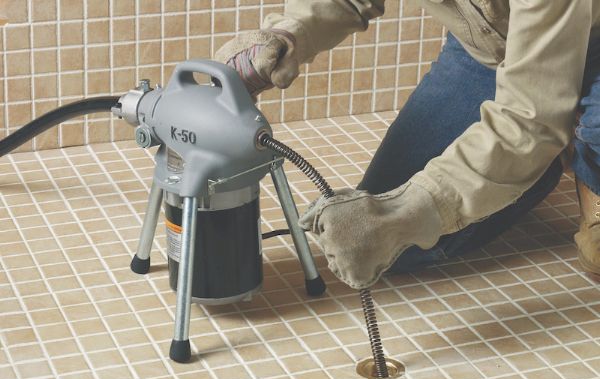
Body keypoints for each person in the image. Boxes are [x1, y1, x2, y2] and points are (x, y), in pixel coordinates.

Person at [216, 1, 600, 289]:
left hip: (592, 44)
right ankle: (549, 154)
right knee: (395, 246)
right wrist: (290, 35)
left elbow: (530, 120)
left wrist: (407, 210)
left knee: (410, 217)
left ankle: (582, 152)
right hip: (492, 48)